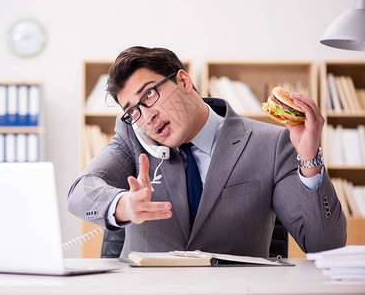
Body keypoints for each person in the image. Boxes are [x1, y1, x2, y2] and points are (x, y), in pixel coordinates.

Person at [68, 46, 346, 258]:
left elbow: (325, 246)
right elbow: (81, 192)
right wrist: (122, 205)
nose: (146, 116)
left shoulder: (270, 143)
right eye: (133, 110)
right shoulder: (133, 139)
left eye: (149, 94)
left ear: (185, 82)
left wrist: (309, 158)